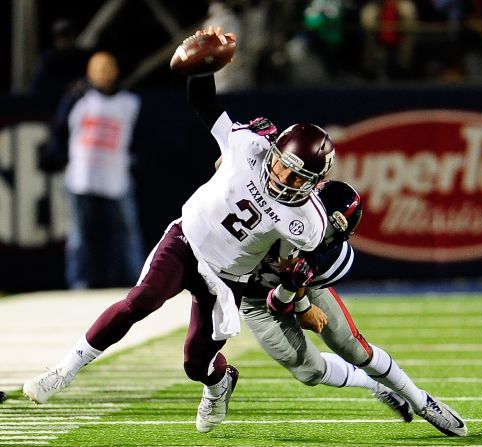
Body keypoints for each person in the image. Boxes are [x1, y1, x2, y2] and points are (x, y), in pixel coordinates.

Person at [23, 27, 336, 436]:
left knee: (195, 362)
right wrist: (203, 67)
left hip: (229, 275)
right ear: (273, 150)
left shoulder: (308, 220)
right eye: (282, 165)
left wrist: (296, 303)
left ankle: (220, 383)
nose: (282, 177)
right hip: (186, 239)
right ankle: (62, 372)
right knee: (141, 300)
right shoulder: (247, 148)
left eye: (296, 178)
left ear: (313, 183)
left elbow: (295, 263)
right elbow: (202, 101)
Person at [240, 180, 468, 437]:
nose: (321, 232)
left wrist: (302, 303)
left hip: (302, 284)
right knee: (309, 372)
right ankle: (374, 382)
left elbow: (293, 281)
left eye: (330, 229)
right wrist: (301, 307)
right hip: (255, 299)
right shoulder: (275, 211)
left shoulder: (330, 254)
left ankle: (422, 402)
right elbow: (279, 299)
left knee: (352, 346)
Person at [39, 51, 144, 289]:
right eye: (98, 69)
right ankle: (79, 283)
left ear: (116, 72)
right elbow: (60, 132)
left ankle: (138, 283)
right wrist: (59, 158)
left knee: (127, 236)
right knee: (78, 237)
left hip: (117, 179)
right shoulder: (77, 100)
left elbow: (140, 139)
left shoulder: (129, 103)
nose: (104, 74)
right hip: (81, 178)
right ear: (89, 73)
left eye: (108, 68)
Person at [30, 18, 91, 101]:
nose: (64, 41)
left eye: (67, 36)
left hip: (80, 99)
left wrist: (81, 84)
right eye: (61, 37)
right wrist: (68, 86)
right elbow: (40, 85)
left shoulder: (81, 56)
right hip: (51, 102)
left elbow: (87, 79)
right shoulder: (48, 58)